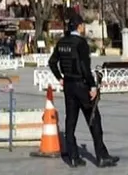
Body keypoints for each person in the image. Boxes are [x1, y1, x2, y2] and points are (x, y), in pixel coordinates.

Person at [49, 14, 119, 168]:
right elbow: (84, 67)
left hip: (68, 85)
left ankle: (73, 157)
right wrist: (92, 86)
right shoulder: (80, 43)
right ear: (79, 26)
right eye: (83, 25)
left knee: (70, 122)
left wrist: (60, 78)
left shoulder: (61, 42)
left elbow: (52, 62)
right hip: (81, 85)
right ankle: (101, 156)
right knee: (94, 120)